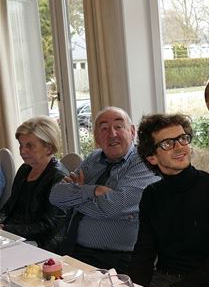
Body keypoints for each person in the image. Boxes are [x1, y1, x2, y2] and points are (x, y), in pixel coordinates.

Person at [128, 114, 209, 287]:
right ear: (152, 157)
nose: (180, 147)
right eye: (168, 143)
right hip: (161, 282)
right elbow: (143, 254)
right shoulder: (151, 195)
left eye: (182, 138)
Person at [49, 107, 160, 273]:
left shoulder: (144, 162)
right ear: (96, 137)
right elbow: (55, 195)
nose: (112, 134)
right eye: (104, 128)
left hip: (116, 258)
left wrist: (75, 197)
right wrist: (94, 191)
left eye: (118, 127)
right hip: (73, 249)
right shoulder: (94, 158)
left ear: (132, 131)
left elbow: (114, 206)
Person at [0, 116, 66, 251]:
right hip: (14, 237)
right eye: (21, 145)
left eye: (29, 146)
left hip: (40, 244)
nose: (22, 151)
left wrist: (6, 229)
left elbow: (48, 227)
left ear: (48, 148)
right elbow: (9, 207)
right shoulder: (25, 169)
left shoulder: (59, 178)